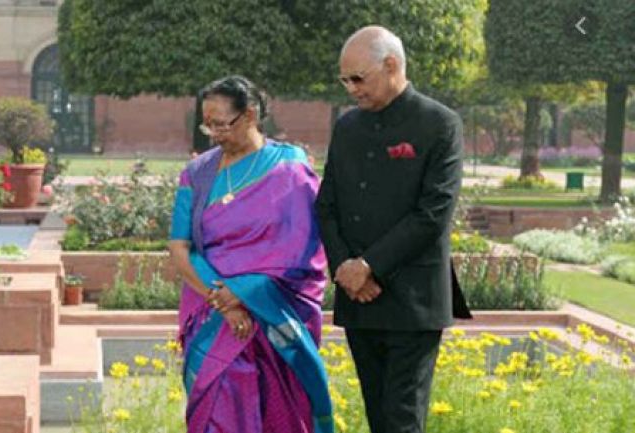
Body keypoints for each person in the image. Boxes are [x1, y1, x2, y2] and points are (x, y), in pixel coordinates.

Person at [315, 26, 472, 433]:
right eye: (344, 80)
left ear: (390, 65)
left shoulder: (439, 123)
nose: (350, 88)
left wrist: (369, 265)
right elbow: (326, 205)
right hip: (358, 296)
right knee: (377, 414)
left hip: (413, 300)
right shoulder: (347, 127)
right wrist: (345, 269)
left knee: (401, 418)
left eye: (357, 78)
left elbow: (433, 212)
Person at [168, 75, 334, 433]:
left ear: (250, 116)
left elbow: (301, 244)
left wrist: (244, 294)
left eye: (221, 124)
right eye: (207, 124)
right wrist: (223, 300)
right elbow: (180, 246)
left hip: (272, 313)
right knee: (216, 411)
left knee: (279, 413)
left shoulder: (289, 167)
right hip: (212, 312)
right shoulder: (197, 174)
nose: (212, 134)